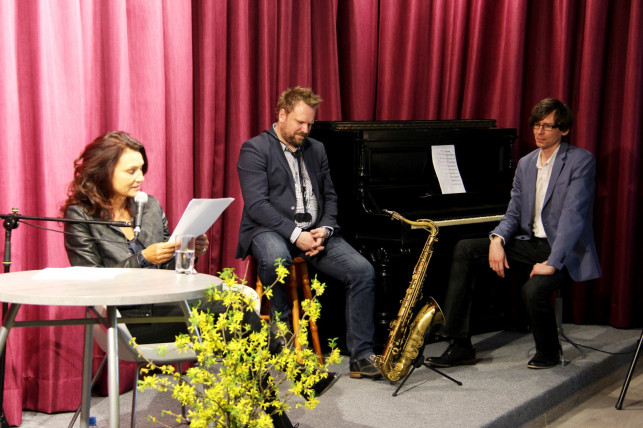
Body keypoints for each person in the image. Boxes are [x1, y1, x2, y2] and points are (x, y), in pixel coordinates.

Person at [62, 131, 336, 428]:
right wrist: (144, 258)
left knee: (237, 328)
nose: (140, 177)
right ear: (105, 171)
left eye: (142, 168)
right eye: (131, 171)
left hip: (170, 307)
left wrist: (187, 250)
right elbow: (91, 281)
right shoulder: (80, 216)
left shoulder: (148, 205)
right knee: (236, 318)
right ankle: (294, 375)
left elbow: (170, 269)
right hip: (127, 318)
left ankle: (277, 417)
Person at [426, 98, 601, 370]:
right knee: (466, 249)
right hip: (529, 243)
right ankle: (460, 345)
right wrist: (497, 239)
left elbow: (573, 217)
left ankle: (549, 351)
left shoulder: (580, 161)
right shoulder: (526, 164)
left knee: (533, 290)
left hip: (564, 250)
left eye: (547, 126)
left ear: (564, 130)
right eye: (536, 125)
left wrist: (552, 262)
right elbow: (513, 212)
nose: (539, 131)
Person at [236, 86, 381, 379]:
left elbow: (329, 196)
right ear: (282, 115)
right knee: (277, 260)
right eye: (300, 122)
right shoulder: (255, 149)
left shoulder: (317, 148)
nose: (306, 129)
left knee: (362, 271)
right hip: (269, 230)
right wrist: (295, 235)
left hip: (314, 233)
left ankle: (361, 356)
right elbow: (257, 205)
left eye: (310, 124)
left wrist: (324, 229)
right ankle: (284, 349)